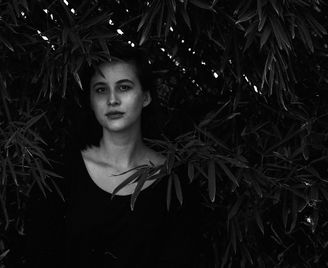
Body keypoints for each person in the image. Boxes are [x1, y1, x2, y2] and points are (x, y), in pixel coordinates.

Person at [16, 43, 201, 267]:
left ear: (145, 97)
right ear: (91, 102)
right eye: (101, 89)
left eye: (124, 87)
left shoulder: (175, 181)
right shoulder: (59, 174)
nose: (112, 100)